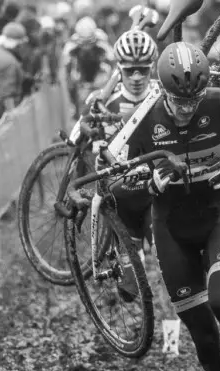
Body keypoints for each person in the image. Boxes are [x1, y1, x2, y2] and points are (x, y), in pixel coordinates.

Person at [109, 42, 220, 371]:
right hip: (170, 231)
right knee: (204, 338)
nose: (186, 109)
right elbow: (113, 183)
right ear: (162, 90)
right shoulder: (143, 116)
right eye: (178, 101)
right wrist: (149, 183)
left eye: (193, 100)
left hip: (218, 218)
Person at [68, 29, 159, 299]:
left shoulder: (163, 95)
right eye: (130, 70)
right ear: (119, 69)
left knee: (171, 274)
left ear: (151, 66)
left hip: (158, 192)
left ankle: (172, 343)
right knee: (130, 292)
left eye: (143, 69)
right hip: (123, 197)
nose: (137, 77)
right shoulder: (106, 98)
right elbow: (76, 139)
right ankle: (130, 258)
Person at [60, 16, 115, 118]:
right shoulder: (71, 43)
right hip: (81, 74)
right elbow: (66, 64)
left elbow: (112, 59)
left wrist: (111, 80)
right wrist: (70, 83)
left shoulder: (102, 39)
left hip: (99, 73)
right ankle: (75, 107)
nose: (86, 47)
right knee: (71, 83)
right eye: (83, 44)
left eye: (89, 43)